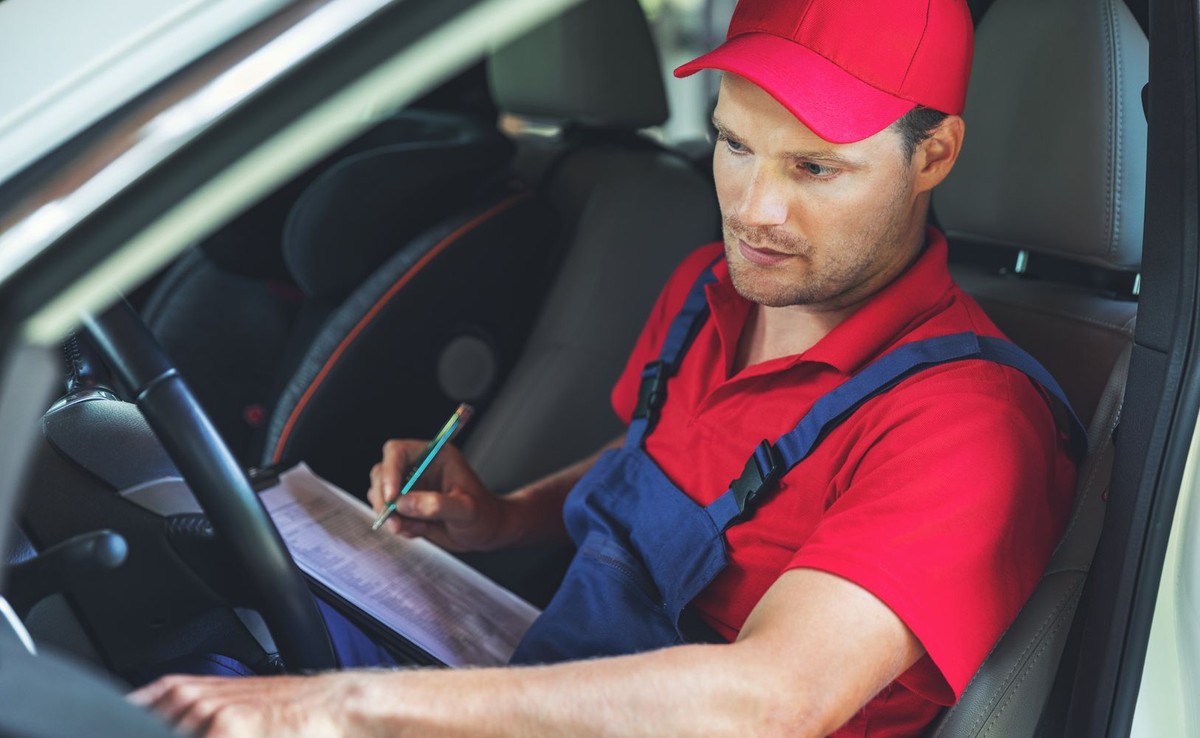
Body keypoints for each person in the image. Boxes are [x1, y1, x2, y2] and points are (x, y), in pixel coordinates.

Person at [131, 0, 1083, 735]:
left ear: (934, 156)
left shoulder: (967, 422)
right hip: (562, 685)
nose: (755, 210)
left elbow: (774, 701)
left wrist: (354, 705)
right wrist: (499, 517)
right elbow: (651, 461)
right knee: (195, 637)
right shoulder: (711, 288)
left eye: (815, 170)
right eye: (733, 144)